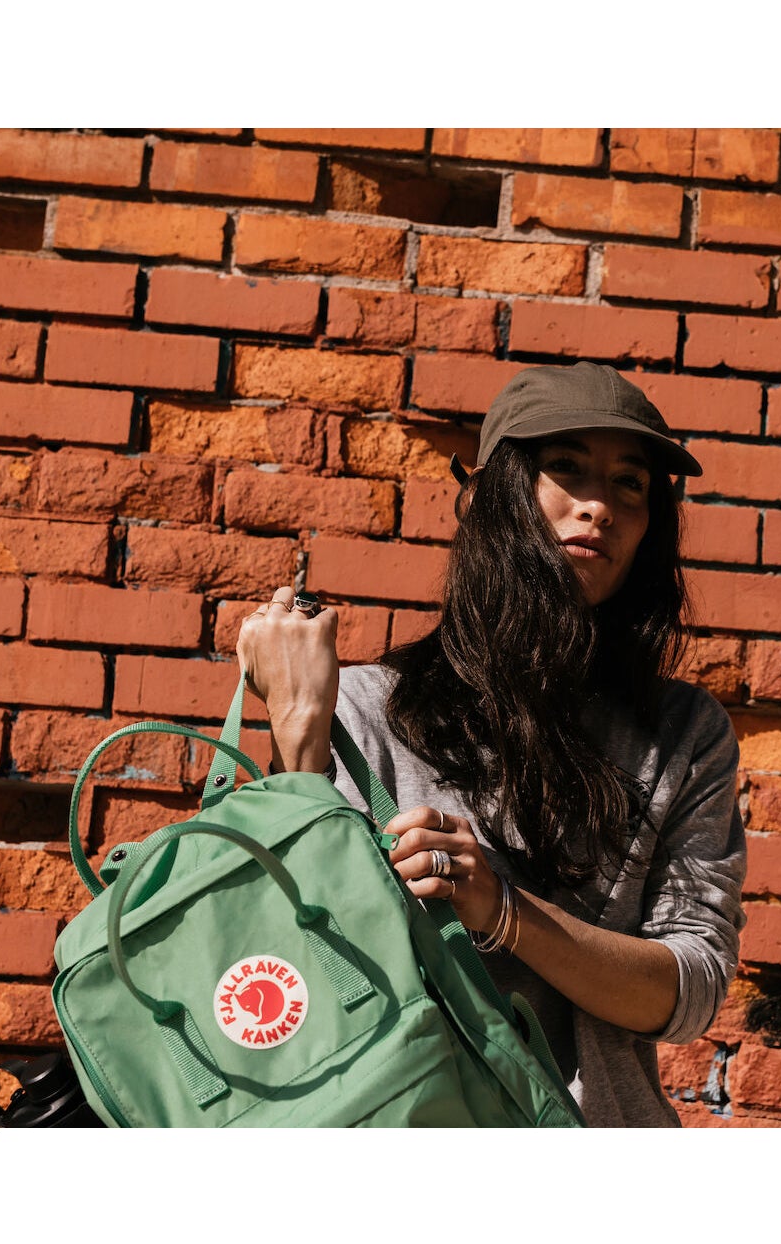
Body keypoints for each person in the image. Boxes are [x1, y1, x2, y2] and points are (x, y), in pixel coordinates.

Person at [236, 361, 746, 1126]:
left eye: (630, 484)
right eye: (565, 468)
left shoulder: (682, 735)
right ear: (485, 499)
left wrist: (503, 908)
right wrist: (300, 730)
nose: (598, 505)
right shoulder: (364, 712)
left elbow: (690, 989)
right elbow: (284, 957)